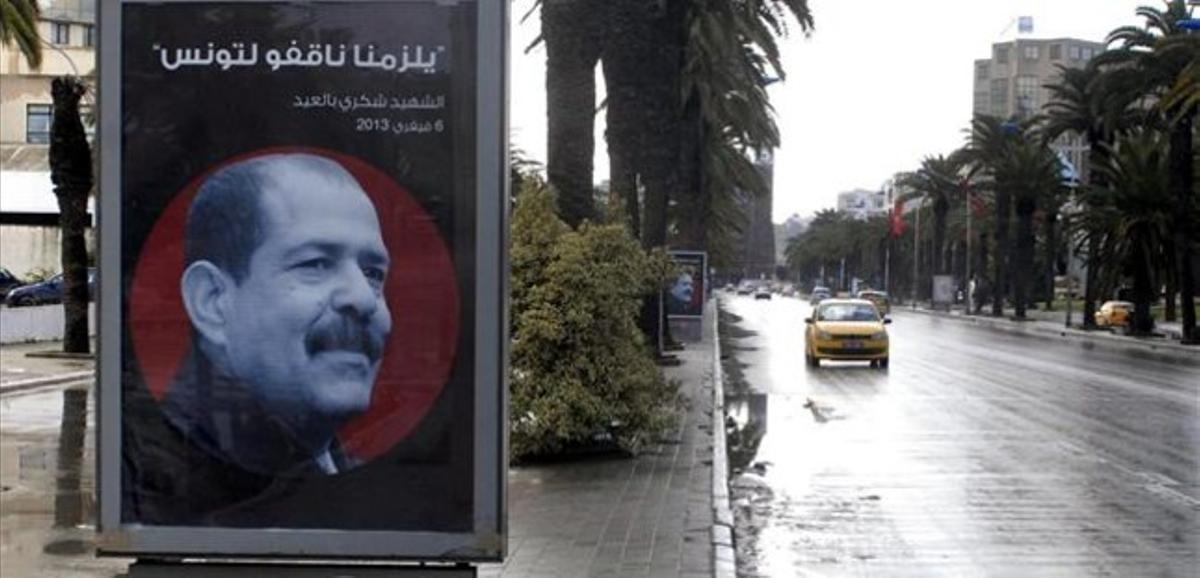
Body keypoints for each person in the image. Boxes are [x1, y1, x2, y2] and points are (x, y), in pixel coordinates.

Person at [124, 153, 393, 524]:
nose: (363, 299)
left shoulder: (340, 470)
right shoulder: (161, 486)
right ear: (212, 301)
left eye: (374, 273)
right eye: (315, 264)